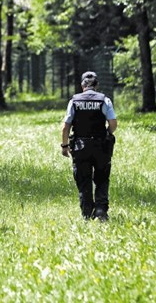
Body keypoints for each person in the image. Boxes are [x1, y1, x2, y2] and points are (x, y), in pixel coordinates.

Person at [61, 71, 117, 221]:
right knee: (102, 178)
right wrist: (107, 133)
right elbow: (113, 123)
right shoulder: (104, 100)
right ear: (96, 85)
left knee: (83, 179)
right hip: (101, 146)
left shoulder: (74, 101)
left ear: (82, 85)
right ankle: (100, 212)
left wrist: (65, 146)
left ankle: (87, 212)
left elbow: (66, 126)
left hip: (80, 146)